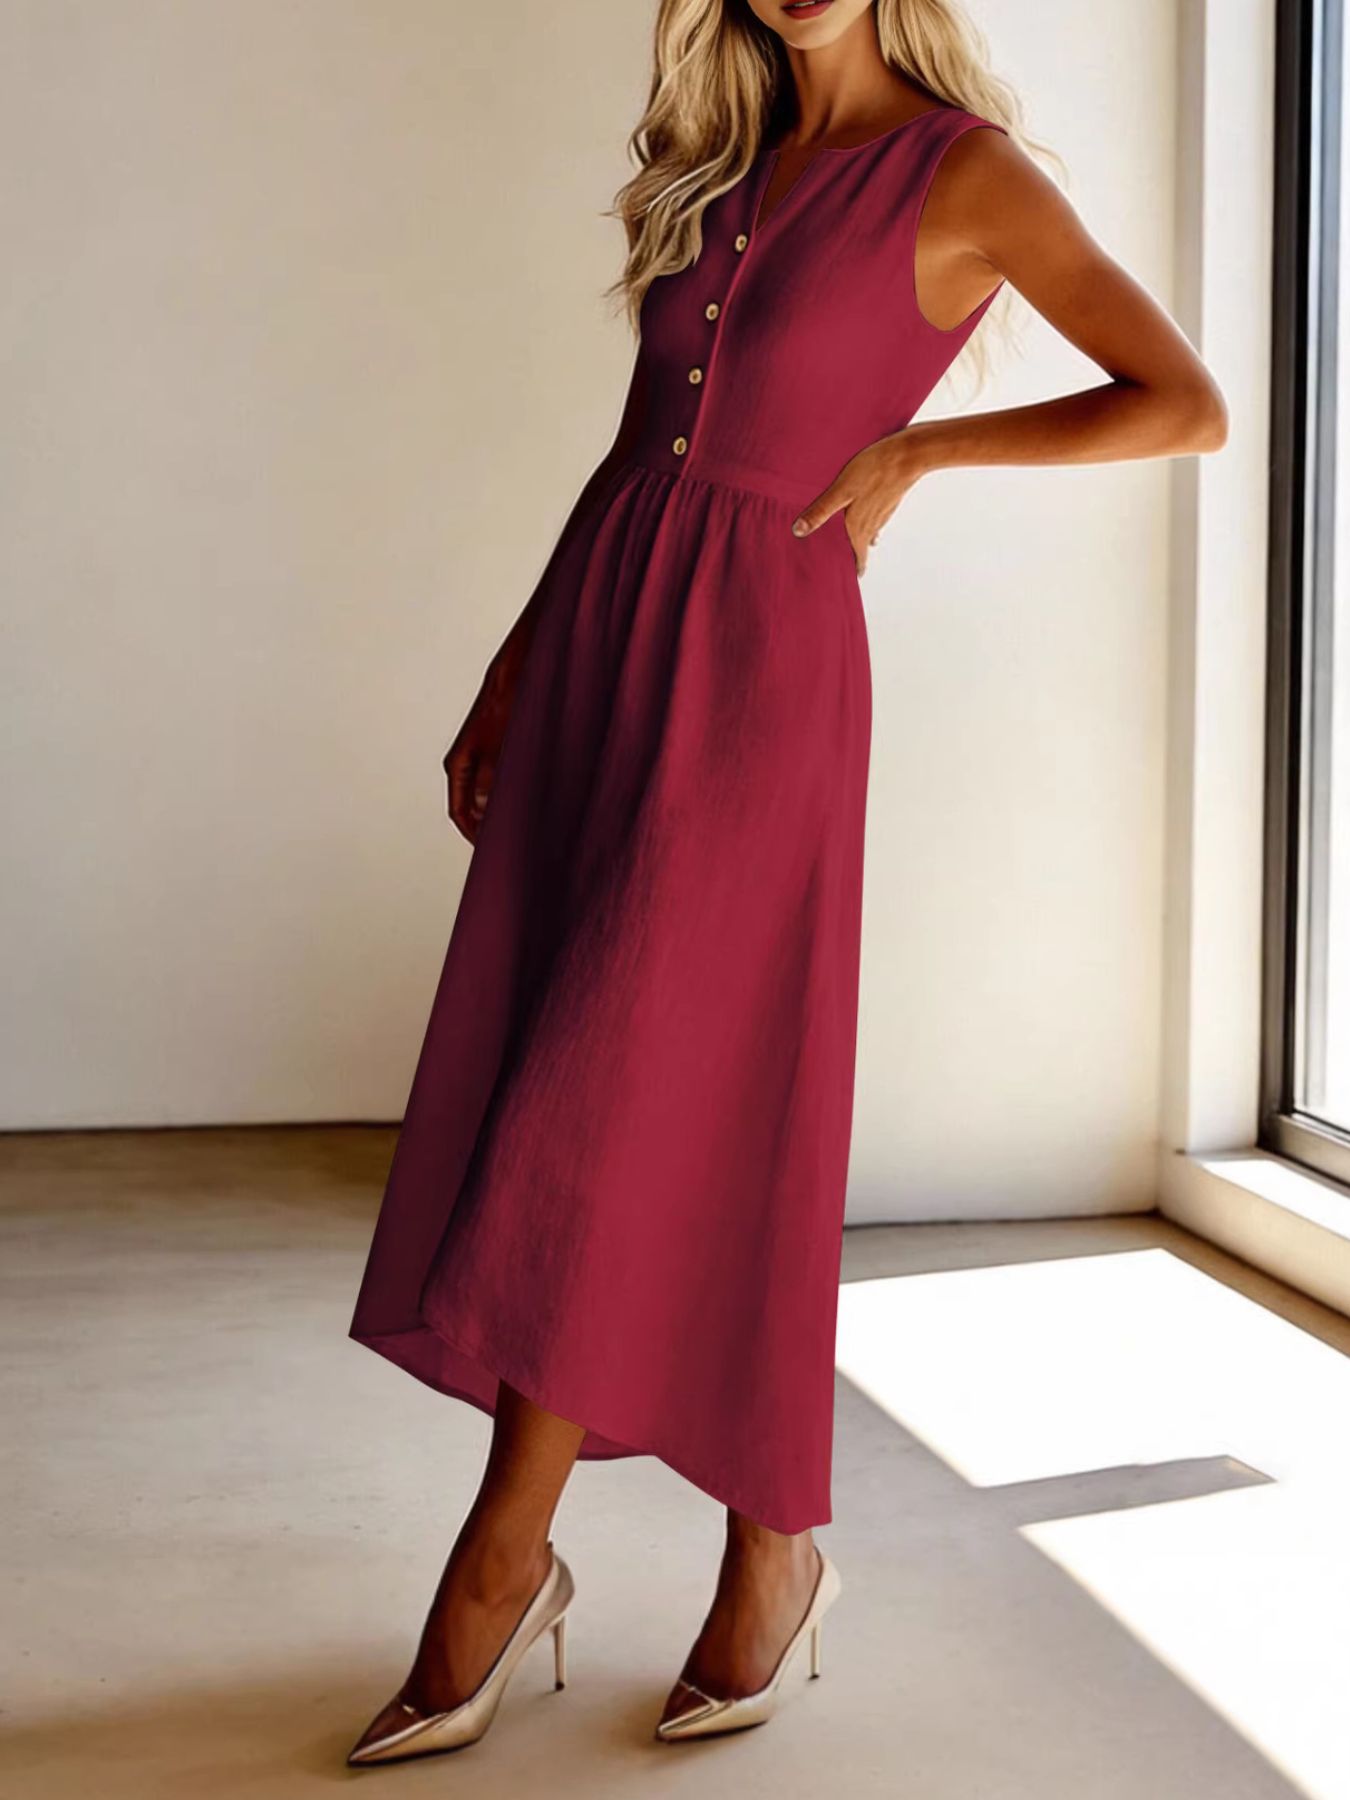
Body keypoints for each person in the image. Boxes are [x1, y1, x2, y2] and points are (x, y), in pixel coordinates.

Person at [346, 0, 1227, 1765]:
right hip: (607, 640)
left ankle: (501, 1559)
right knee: (631, 1087)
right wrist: (516, 662)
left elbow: (1184, 404)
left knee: (602, 1100)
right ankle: (772, 1545)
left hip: (759, 671)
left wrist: (918, 450)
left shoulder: (963, 176)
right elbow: (632, 452)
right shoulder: (721, 159)